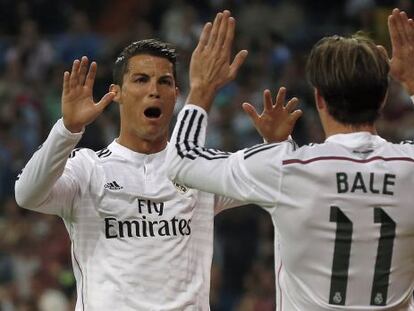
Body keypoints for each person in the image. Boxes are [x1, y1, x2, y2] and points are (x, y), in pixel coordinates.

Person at [167, 8, 414, 311]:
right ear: (384, 97)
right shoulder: (408, 166)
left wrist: (202, 89)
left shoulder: (286, 167)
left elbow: (181, 160)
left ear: (319, 98)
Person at [14, 11, 247, 310]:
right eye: (141, 80)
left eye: (164, 82)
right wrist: (67, 130)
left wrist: (277, 144)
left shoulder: (198, 169)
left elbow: (270, 181)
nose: (154, 90)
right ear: (117, 93)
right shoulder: (88, 169)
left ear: (176, 93)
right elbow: (26, 194)